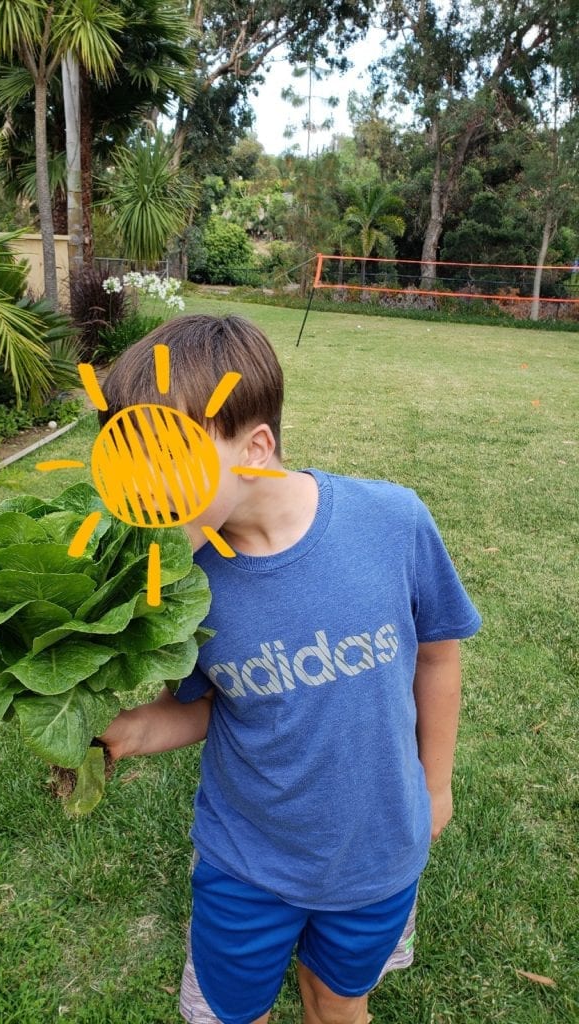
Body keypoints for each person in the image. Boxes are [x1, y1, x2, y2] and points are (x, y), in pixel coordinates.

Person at [99, 314, 481, 1024]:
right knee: (230, 1012)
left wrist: (436, 785)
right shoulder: (183, 583)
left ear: (256, 446)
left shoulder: (393, 522)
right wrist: (120, 733)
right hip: (246, 865)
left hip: (378, 855)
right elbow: (203, 705)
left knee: (337, 1001)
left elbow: (438, 654)